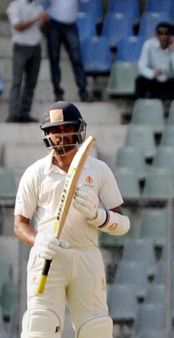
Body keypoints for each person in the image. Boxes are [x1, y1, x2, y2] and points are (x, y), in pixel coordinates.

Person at [13, 101, 130, 337]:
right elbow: (20, 224)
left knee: (95, 329)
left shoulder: (98, 170)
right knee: (40, 328)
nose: (62, 135)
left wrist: (99, 216)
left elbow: (123, 223)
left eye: (67, 128)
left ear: (78, 130)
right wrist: (39, 241)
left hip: (86, 255)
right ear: (47, 134)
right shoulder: (35, 173)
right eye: (56, 130)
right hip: (48, 257)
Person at [6, 0, 48, 123]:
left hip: (36, 46)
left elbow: (43, 28)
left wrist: (45, 21)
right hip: (21, 46)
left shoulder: (38, 6)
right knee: (17, 82)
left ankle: (25, 112)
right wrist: (36, 19)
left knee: (31, 83)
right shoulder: (15, 6)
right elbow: (18, 26)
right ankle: (13, 113)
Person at [44, 0, 90, 102]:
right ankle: (57, 91)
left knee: (76, 58)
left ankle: (83, 90)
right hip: (54, 23)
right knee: (54, 58)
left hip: (70, 24)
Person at [135, 21, 174, 100]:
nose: (163, 36)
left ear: (171, 35)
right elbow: (141, 66)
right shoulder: (148, 44)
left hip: (171, 80)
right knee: (140, 81)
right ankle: (140, 106)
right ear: (156, 35)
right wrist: (152, 73)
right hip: (155, 79)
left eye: (166, 33)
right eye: (160, 33)